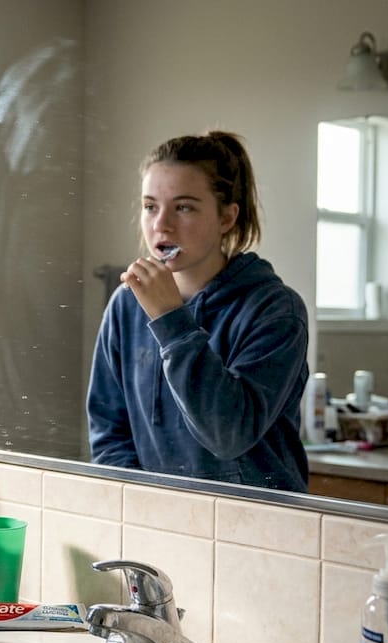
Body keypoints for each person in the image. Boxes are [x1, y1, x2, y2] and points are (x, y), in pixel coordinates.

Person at [86, 130, 309, 492]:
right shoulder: (126, 305)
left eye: (184, 207)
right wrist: (141, 508)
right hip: (162, 526)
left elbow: (228, 436)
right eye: (150, 206)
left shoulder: (276, 310)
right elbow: (109, 434)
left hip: (260, 528)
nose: (161, 224)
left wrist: (171, 320)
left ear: (226, 218)